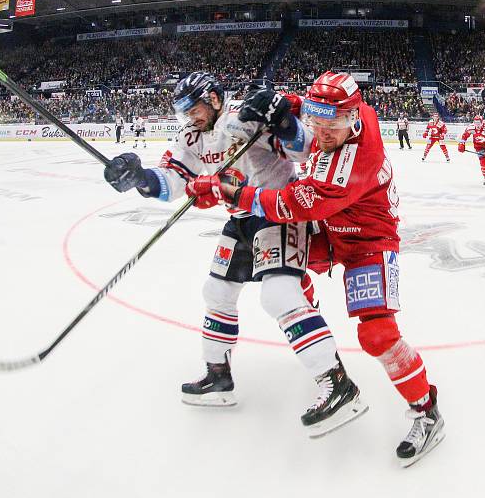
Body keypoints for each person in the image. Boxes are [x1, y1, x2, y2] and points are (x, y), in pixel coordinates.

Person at [186, 71, 445, 467]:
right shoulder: (358, 112)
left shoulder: (356, 162)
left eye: (333, 124)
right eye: (316, 121)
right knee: (283, 279)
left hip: (365, 242)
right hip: (330, 228)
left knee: (377, 334)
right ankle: (316, 342)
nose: (323, 133)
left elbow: (291, 203)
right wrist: (282, 104)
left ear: (353, 119)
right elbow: (311, 113)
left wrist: (228, 190)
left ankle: (427, 412)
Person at [101, 72, 367, 437]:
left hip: (277, 211)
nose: (189, 118)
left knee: (279, 296)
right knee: (217, 293)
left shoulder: (246, 117)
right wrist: (141, 179)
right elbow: (173, 180)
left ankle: (338, 384)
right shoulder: (190, 137)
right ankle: (218, 377)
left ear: (213, 98)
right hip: (240, 218)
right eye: (183, 112)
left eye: (193, 108)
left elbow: (305, 150)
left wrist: (284, 122)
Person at [458, 114, 485, 187]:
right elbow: (464, 136)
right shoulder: (471, 128)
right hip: (479, 147)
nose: (477, 125)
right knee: (483, 163)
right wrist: (462, 143)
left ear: (482, 122)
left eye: (479, 123)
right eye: (476, 122)